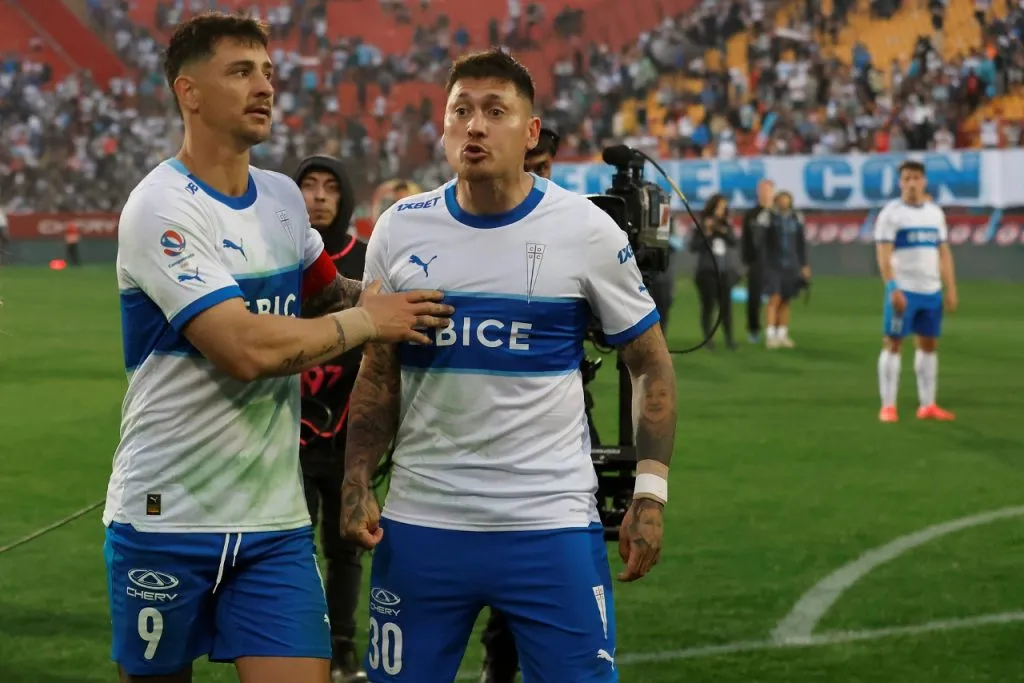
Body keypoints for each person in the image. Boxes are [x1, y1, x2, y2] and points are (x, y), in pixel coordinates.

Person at [101, 13, 453, 683]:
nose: (264, 86)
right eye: (241, 71)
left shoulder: (284, 199)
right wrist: (370, 321)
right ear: (189, 92)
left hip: (273, 522)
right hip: (167, 515)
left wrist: (429, 298)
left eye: (268, 72)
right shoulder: (161, 207)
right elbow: (243, 348)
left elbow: (331, 296)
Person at [341, 48, 678, 683]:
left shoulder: (585, 230)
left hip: (550, 526)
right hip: (422, 524)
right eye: (461, 111)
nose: (475, 125)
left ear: (529, 133)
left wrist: (650, 493)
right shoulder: (399, 229)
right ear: (443, 129)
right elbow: (378, 372)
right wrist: (357, 477)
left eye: (495, 111)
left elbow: (650, 363)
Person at [293, 154, 369, 683]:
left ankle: (342, 647)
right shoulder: (277, 258)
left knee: (344, 549)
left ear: (344, 198)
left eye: (329, 188)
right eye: (308, 186)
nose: (318, 197)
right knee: (290, 547)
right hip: (284, 436)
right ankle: (298, 643)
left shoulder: (365, 260)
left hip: (347, 435)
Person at [874, 159, 958, 423]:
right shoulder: (891, 214)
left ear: (924, 181)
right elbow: (883, 255)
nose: (911, 183)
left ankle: (928, 404)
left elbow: (943, 252)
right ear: (901, 183)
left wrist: (950, 287)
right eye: (906, 178)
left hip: (931, 290)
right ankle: (888, 405)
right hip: (904, 291)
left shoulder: (935, 213)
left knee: (929, 344)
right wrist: (892, 287)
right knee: (893, 343)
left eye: (916, 178)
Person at [689, 193, 739, 350]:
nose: (721, 210)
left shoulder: (726, 224)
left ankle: (730, 339)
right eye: (719, 206)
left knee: (726, 307)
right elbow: (694, 246)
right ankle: (708, 339)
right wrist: (708, 233)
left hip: (724, 270)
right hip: (707, 270)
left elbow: (733, 241)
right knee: (708, 306)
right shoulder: (702, 223)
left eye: (724, 207)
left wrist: (722, 230)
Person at [763, 191, 811, 349]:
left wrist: (804, 265)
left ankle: (782, 334)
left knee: (786, 299)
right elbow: (762, 241)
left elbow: (800, 243)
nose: (784, 203)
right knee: (774, 298)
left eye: (787, 200)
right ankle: (770, 335)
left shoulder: (796, 218)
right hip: (774, 264)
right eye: (782, 200)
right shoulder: (770, 218)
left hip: (791, 264)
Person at [741, 179, 776, 343]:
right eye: (762, 190)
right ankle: (753, 330)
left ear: (773, 193)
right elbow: (746, 240)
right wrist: (746, 262)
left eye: (767, 190)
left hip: (775, 262)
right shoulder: (751, 215)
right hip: (756, 262)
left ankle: (775, 330)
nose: (764, 194)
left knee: (776, 298)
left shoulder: (778, 214)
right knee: (754, 298)